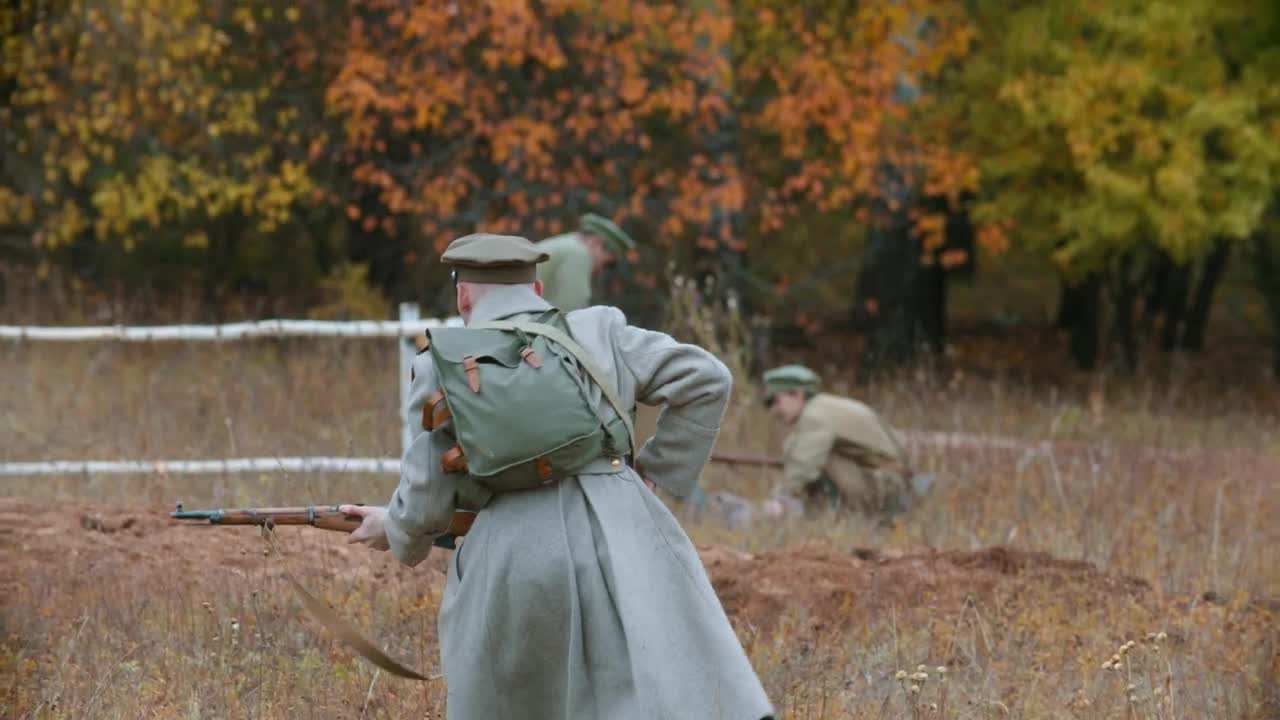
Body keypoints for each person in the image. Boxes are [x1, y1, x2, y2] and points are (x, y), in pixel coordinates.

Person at [342, 233, 773, 720]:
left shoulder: (440, 362)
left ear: (463, 296)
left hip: (511, 558)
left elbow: (425, 496)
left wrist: (396, 532)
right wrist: (656, 474)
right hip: (622, 536)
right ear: (539, 290)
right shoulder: (600, 330)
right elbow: (708, 378)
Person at [761, 364, 925, 521]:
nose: (774, 411)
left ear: (797, 394)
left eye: (776, 401)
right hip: (892, 482)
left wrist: (778, 499)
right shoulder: (826, 407)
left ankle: (836, 519)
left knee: (816, 459)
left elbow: (803, 466)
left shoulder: (815, 416)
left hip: (886, 488)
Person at [536, 213, 635, 312]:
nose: (601, 269)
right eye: (608, 265)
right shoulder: (579, 254)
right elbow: (569, 311)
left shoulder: (566, 244)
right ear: (597, 243)